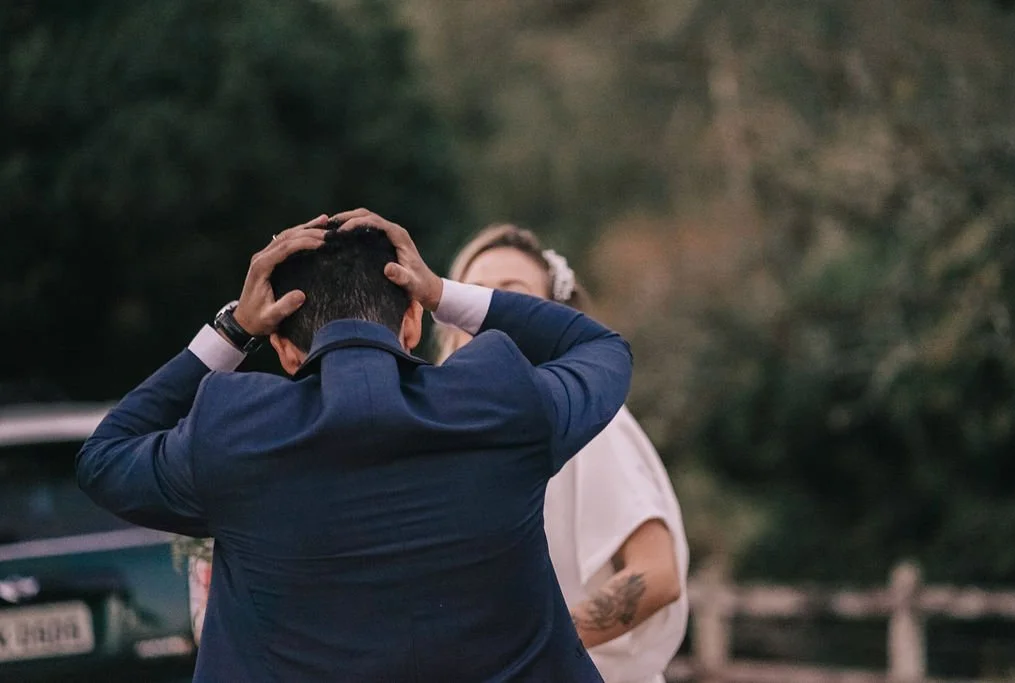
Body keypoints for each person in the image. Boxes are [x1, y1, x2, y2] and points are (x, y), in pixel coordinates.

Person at [76, 210, 632, 682]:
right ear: (412, 323)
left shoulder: (232, 432)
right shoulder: (500, 399)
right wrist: (442, 292)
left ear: (284, 349)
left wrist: (234, 328)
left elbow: (103, 457)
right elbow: (601, 348)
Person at [436, 224, 689, 683]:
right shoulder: (443, 439)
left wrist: (533, 650)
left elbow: (657, 573)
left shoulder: (586, 422)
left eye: (512, 298)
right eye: (471, 297)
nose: (487, 315)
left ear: (553, 320)